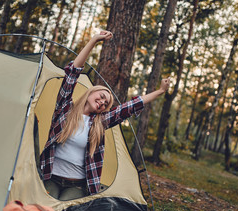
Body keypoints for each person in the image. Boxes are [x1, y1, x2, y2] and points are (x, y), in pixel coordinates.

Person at [40, 30, 170, 201]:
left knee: (63, 209)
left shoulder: (100, 122)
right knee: (45, 205)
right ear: (90, 93)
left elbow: (131, 106)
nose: (102, 102)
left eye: (106, 104)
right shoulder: (65, 109)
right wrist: (94, 40)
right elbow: (72, 73)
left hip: (77, 184)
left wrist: (160, 91)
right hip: (51, 177)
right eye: (101, 97)